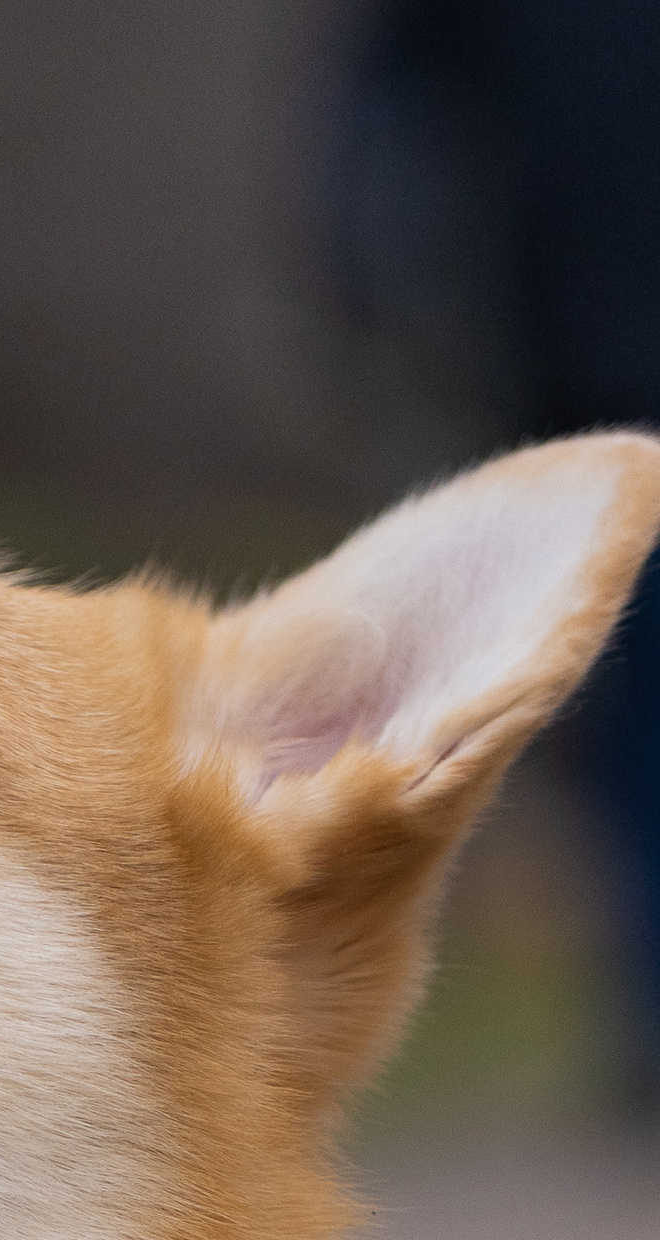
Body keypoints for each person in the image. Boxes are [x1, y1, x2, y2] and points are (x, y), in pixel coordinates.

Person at [332, 0, 660, 1105]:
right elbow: (391, 117)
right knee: (626, 716)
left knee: (631, 719)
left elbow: (379, 126)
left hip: (569, 356)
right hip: (573, 377)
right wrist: (391, 293)